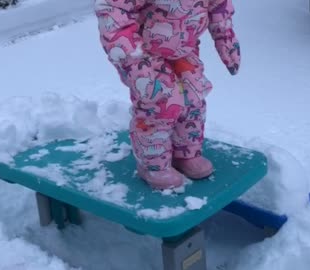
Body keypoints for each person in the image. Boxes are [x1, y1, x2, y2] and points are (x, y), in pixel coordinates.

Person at [94, 0, 241, 189]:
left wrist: (225, 39)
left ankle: (185, 153)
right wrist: (130, 55)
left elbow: (219, 6)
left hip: (183, 48)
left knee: (193, 97)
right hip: (143, 54)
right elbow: (113, 8)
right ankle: (153, 164)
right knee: (160, 102)